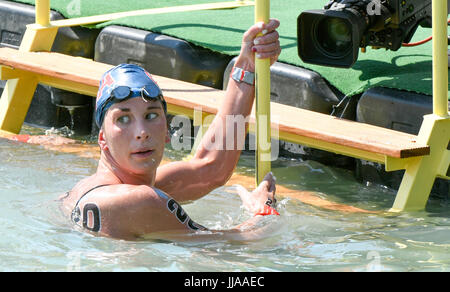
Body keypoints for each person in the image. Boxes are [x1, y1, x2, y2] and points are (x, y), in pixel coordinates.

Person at [59, 19, 282, 241]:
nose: (142, 131)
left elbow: (211, 168)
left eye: (151, 116)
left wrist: (247, 70)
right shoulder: (139, 200)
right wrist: (264, 211)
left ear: (167, 130)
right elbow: (231, 247)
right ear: (102, 139)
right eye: (123, 119)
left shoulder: (99, 189)